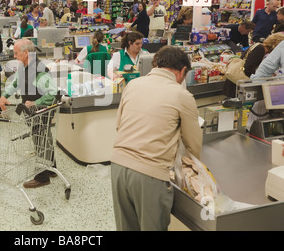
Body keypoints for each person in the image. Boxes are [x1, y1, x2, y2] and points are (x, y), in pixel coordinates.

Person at [111, 45, 202, 231]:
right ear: (182, 71)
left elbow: (119, 125)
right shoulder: (182, 95)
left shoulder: (133, 85)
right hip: (150, 174)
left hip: (118, 167)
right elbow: (193, 145)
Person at [0, 39, 58, 188]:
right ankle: (52, 168)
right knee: (45, 137)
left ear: (26, 53)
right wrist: (4, 95)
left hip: (41, 111)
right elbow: (17, 82)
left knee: (40, 141)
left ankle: (42, 177)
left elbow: (53, 93)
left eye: (16, 53)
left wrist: (36, 103)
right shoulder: (23, 67)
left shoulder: (39, 70)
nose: (15, 56)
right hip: (30, 111)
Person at [223, 33, 284, 97]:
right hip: (237, 84)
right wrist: (258, 79)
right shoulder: (260, 49)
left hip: (235, 81)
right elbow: (248, 68)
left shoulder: (258, 46)